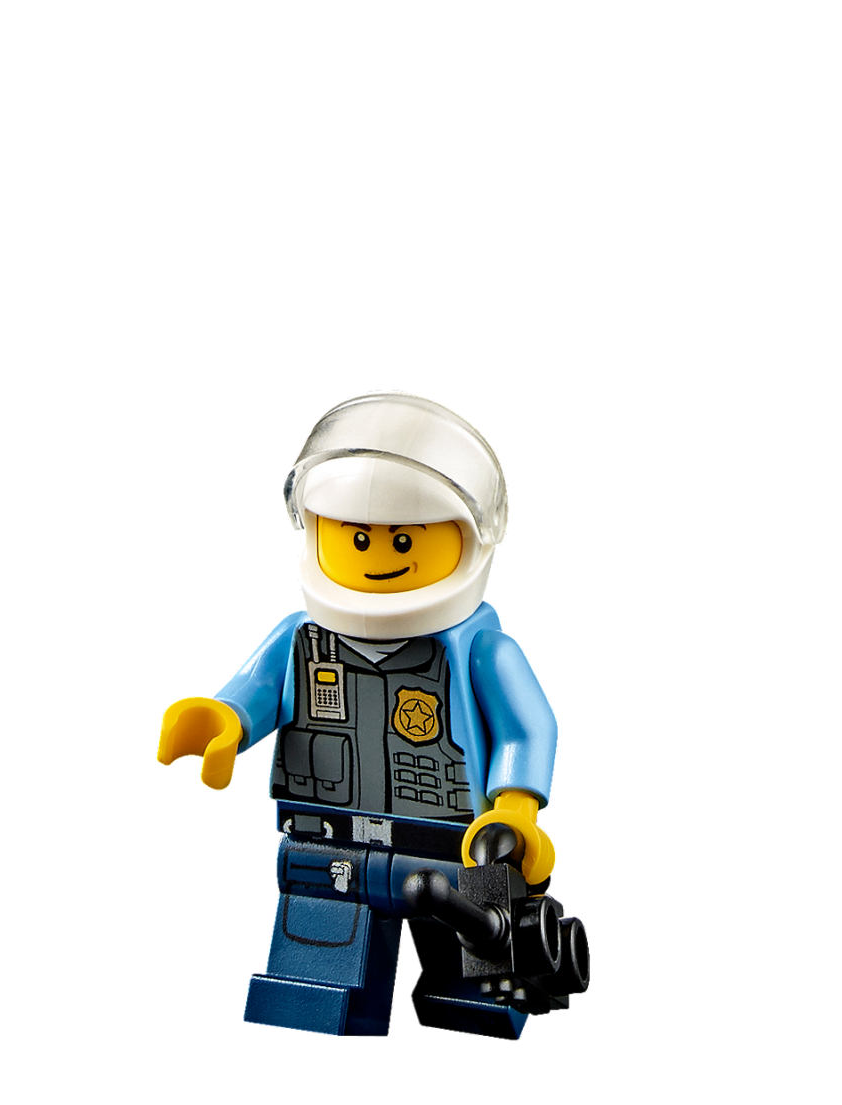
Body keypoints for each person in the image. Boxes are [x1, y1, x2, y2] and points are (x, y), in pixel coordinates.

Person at [158, 393, 560, 1039]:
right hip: (326, 835)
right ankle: (317, 995)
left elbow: (526, 728)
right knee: (315, 965)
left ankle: (474, 998)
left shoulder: (483, 650)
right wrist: (224, 720)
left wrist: (515, 810)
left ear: (467, 541)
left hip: (454, 846)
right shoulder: (303, 639)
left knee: (475, 962)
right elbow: (256, 689)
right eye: (357, 537)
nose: (376, 555)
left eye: (403, 539)